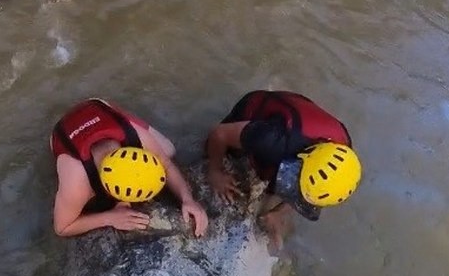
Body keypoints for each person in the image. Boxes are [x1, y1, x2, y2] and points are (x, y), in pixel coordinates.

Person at [203, 90, 362, 248]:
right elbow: (219, 134)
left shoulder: (343, 153)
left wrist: (279, 212)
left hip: (295, 117)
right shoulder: (272, 138)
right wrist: (215, 172)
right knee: (212, 156)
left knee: (270, 184)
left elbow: (311, 192)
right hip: (257, 110)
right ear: (302, 158)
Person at [50, 98, 208, 238]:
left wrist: (188, 199)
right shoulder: (77, 181)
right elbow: (62, 228)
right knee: (81, 203)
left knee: (168, 149)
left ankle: (109, 106)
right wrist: (109, 218)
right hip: (62, 133)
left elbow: (165, 163)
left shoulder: (137, 138)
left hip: (99, 106)